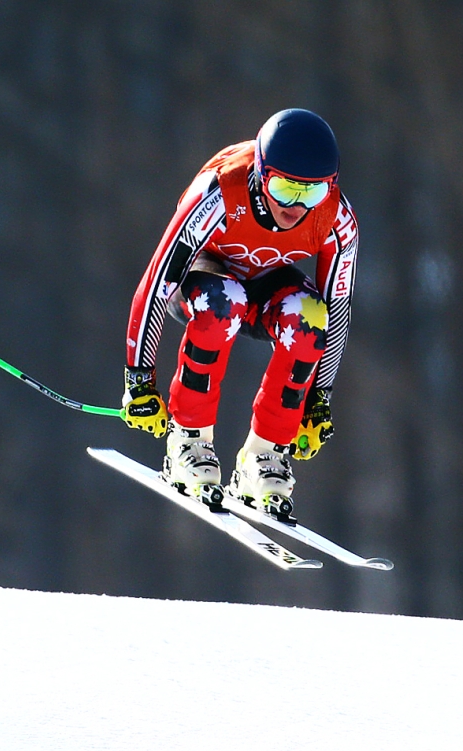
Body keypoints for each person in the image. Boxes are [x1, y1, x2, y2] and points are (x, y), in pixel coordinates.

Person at [121, 108, 358, 520]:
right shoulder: (219, 193)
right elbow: (157, 281)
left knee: (309, 318)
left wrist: (319, 400)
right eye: (285, 189)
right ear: (262, 174)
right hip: (201, 285)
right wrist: (139, 379)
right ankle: (188, 441)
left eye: (313, 193)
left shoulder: (336, 219)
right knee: (224, 300)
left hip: (265, 286)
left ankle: (264, 456)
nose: (297, 207)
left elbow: (337, 311)